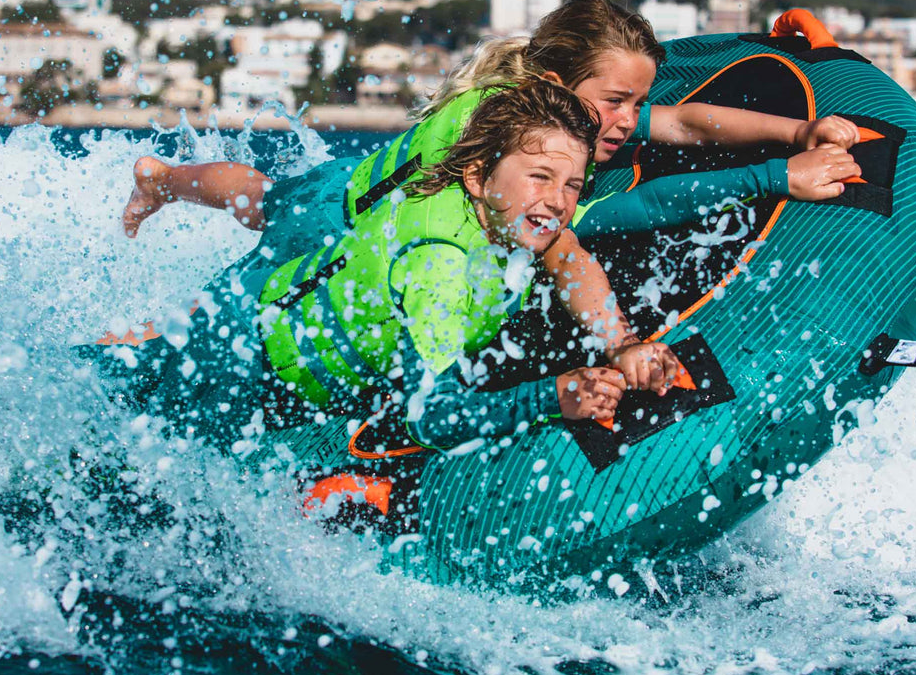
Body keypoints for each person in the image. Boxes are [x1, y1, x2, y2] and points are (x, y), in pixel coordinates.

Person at [119, 0, 859, 357]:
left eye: (635, 100)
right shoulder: (512, 133)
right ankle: (159, 180)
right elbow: (613, 220)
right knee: (255, 215)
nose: (631, 119)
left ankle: (162, 191)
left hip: (371, 212)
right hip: (342, 216)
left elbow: (685, 122)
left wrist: (799, 131)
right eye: (615, 102)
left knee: (259, 201)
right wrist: (777, 177)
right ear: (551, 83)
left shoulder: (570, 124)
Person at [131, 80, 676, 462]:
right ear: (478, 177)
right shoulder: (436, 262)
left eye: (572, 186)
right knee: (117, 438)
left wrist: (623, 344)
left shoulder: (511, 219)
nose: (558, 202)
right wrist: (550, 397)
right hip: (238, 365)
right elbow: (432, 418)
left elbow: (572, 259)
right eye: (539, 178)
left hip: (280, 331)